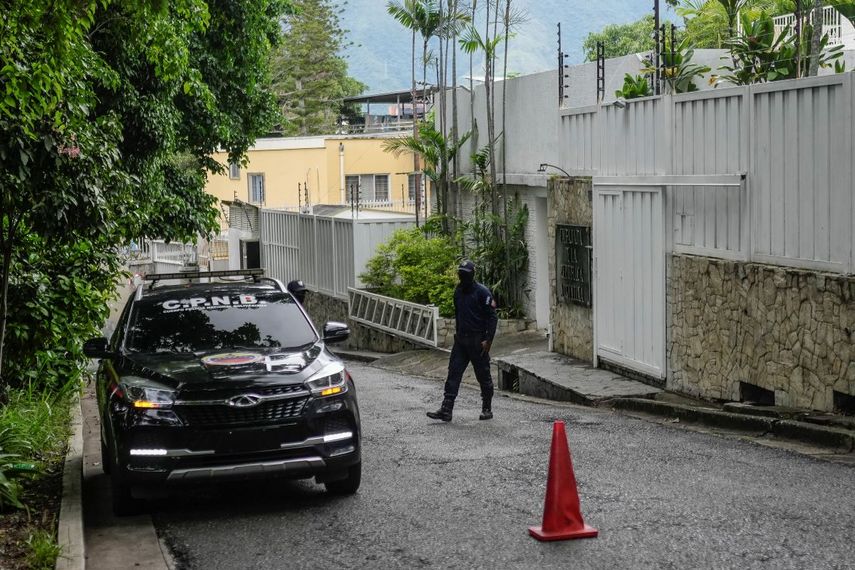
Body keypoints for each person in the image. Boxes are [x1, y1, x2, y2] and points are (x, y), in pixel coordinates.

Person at [427, 260, 498, 422]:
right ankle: (446, 409)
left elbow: (492, 317)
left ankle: (487, 408)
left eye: (465, 273)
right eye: (460, 273)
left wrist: (488, 340)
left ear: (472, 275)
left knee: (483, 375)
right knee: (453, 373)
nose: (462, 276)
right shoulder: (458, 291)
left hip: (477, 341)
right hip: (461, 341)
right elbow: (459, 314)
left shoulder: (483, 292)